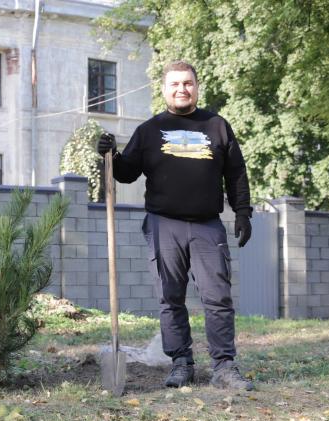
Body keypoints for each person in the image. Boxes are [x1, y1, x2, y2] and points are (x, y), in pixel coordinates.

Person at [98, 60, 254, 390]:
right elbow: (126, 172)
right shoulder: (149, 130)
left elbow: (236, 173)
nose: (182, 89)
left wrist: (243, 213)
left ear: (196, 87)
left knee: (218, 297)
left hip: (207, 226)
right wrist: (111, 155)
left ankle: (224, 366)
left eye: (187, 83)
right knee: (170, 298)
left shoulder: (217, 126)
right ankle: (181, 362)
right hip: (162, 225)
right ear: (165, 89)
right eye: (175, 84)